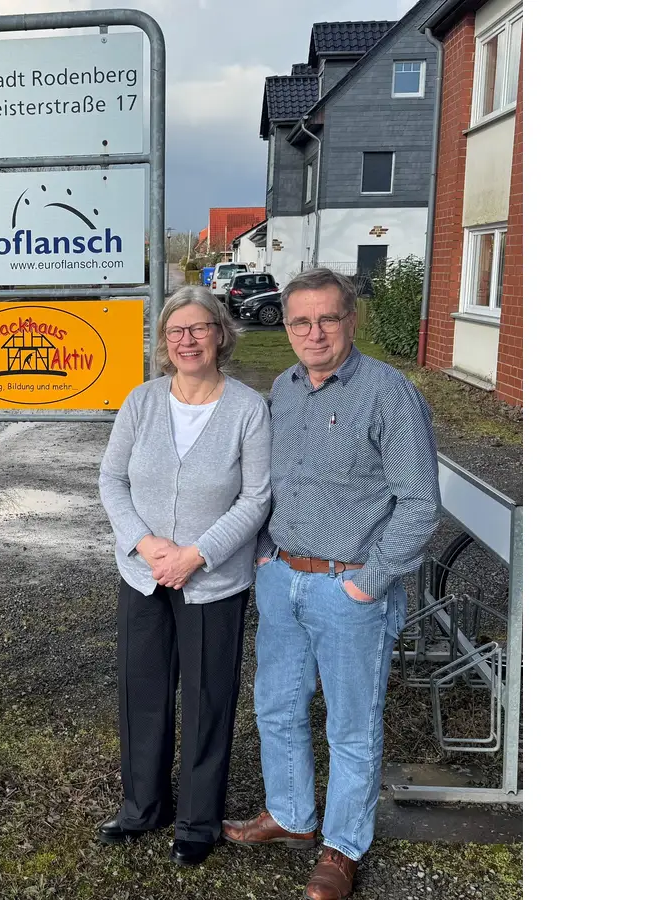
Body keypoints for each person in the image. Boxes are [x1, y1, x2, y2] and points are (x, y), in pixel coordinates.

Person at [222, 268, 439, 900]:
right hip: (282, 578)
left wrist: (371, 581)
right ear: (286, 327)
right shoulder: (284, 389)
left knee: (351, 726)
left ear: (350, 320)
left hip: (349, 591)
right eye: (300, 321)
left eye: (327, 319)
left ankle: (344, 845)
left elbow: (420, 503)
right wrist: (266, 554)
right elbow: (272, 485)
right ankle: (290, 814)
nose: (313, 333)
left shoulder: (389, 394)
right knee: (277, 706)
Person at [96, 286, 272, 867]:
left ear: (221, 333)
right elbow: (112, 480)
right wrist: (146, 544)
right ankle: (143, 805)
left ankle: (198, 820)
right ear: (164, 342)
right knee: (142, 690)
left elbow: (256, 498)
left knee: (207, 697)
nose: (187, 340)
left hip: (212, 580)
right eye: (176, 331)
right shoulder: (141, 401)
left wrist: (196, 555)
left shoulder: (248, 408)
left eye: (199, 328)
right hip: (144, 573)